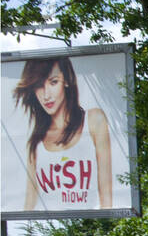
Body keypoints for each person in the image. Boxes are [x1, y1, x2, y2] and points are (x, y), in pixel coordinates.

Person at [13, 56, 113, 211]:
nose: (46, 95)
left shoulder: (93, 120)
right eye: (39, 85)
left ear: (66, 80)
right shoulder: (36, 143)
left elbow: (106, 196)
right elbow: (29, 205)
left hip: (93, 226)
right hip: (50, 230)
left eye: (53, 82)